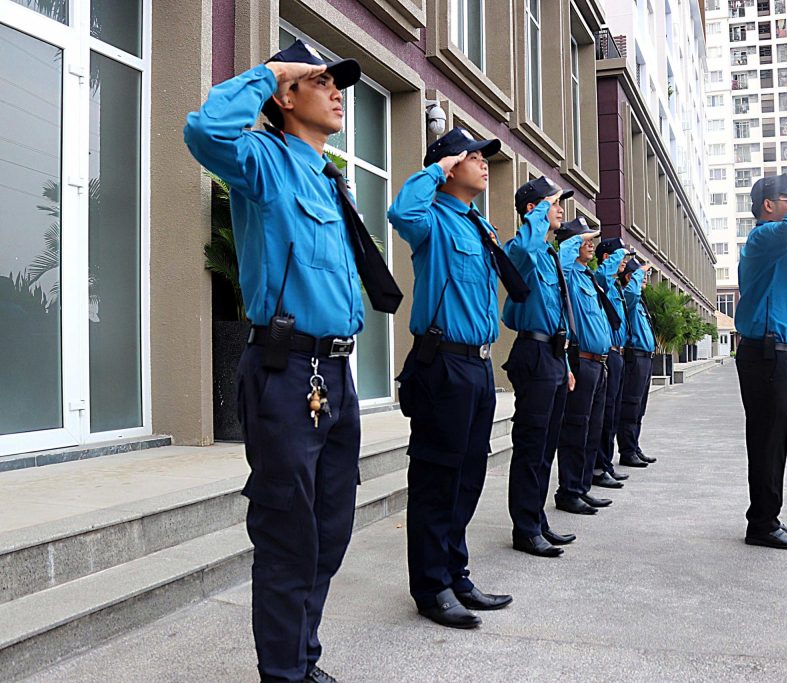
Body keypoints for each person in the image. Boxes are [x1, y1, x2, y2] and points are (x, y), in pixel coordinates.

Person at [184, 39, 400, 683]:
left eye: (338, 83)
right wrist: (270, 71)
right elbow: (204, 131)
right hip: (287, 374)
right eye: (321, 80)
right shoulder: (263, 160)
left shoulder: (329, 178)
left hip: (335, 376)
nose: (337, 93)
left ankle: (303, 660)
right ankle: (283, 673)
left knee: (330, 528)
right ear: (285, 96)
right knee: (287, 533)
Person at [388, 127, 520, 628]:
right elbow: (401, 213)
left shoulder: (477, 225)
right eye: (472, 156)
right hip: (443, 364)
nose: (484, 163)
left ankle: (455, 574)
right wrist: (435, 169)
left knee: (467, 477)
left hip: (479, 367)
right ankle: (430, 586)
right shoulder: (433, 220)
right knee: (436, 479)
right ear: (448, 167)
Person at [734, 174, 787, 550]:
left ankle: (768, 517)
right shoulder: (764, 238)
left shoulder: (777, 247)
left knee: (773, 441)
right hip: (765, 354)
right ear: (769, 205)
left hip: (776, 354)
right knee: (767, 441)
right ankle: (762, 523)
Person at [502, 177, 580, 558]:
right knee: (531, 445)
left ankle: (537, 518)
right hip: (532, 353)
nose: (560, 209)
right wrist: (537, 214)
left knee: (547, 445)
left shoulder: (548, 254)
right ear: (533, 210)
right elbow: (520, 251)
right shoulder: (526, 249)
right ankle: (525, 527)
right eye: (554, 203)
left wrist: (564, 362)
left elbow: (557, 314)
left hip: (552, 354)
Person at [553, 218, 615, 516]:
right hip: (583, 361)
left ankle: (582, 486)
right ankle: (569, 491)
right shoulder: (567, 273)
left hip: (599, 364)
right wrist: (573, 241)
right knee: (576, 429)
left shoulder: (588, 277)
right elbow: (562, 258)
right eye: (584, 240)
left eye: (591, 239)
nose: (590, 244)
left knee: (592, 429)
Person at [592, 238, 632, 489]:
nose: (624, 261)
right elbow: (604, 274)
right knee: (605, 414)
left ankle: (605, 464)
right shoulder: (602, 279)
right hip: (607, 353)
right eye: (620, 256)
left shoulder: (615, 286)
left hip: (618, 353)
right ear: (607, 258)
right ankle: (599, 466)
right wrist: (619, 256)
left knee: (614, 412)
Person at [617, 258, 655, 469]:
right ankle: (627, 450)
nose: (645, 278)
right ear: (630, 277)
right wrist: (640, 271)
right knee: (631, 405)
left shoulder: (639, 302)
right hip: (635, 357)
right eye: (641, 275)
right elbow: (631, 293)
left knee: (640, 406)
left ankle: (634, 446)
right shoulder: (628, 297)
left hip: (646, 358)